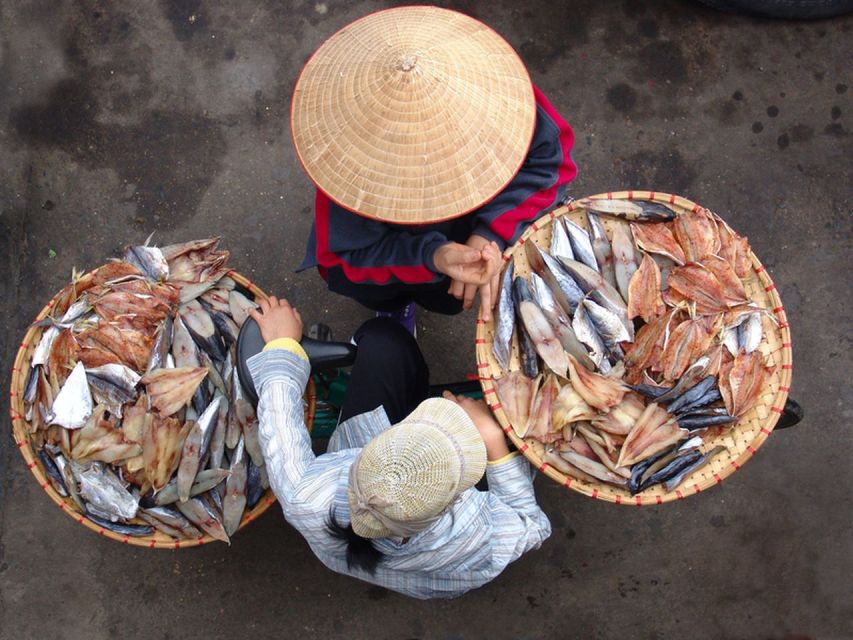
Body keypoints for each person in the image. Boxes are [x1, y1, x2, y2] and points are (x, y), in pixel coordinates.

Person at [292, 6, 577, 331]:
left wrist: (489, 234)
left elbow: (549, 160)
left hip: (469, 230)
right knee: (387, 292)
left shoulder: (504, 98)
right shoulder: (349, 175)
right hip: (398, 254)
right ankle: (395, 309)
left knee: (447, 297)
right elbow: (348, 258)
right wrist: (433, 255)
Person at [247, 296, 551, 599]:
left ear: (375, 446)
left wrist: (283, 345)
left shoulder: (306, 496)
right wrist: (495, 445)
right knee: (395, 346)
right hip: (436, 582)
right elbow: (531, 525)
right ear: (452, 502)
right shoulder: (474, 535)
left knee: (382, 337)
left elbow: (279, 424)